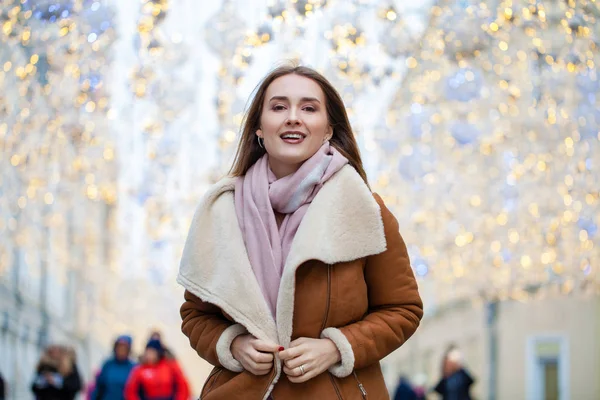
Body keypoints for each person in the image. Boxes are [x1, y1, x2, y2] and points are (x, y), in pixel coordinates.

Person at [178, 64, 423, 399]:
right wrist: (233, 344)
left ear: (327, 130)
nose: (293, 117)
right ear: (259, 129)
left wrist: (336, 348)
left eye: (309, 108)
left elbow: (403, 310)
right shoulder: (221, 212)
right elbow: (196, 314)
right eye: (279, 107)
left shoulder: (365, 208)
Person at [124, 339, 188, 400]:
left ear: (158, 353)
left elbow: (183, 387)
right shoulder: (139, 369)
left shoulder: (170, 366)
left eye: (152, 352)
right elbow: (130, 391)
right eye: (147, 352)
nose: (149, 355)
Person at [92, 335, 136, 400]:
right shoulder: (108, 364)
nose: (121, 350)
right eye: (119, 347)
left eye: (124, 348)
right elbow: (99, 387)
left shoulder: (133, 367)